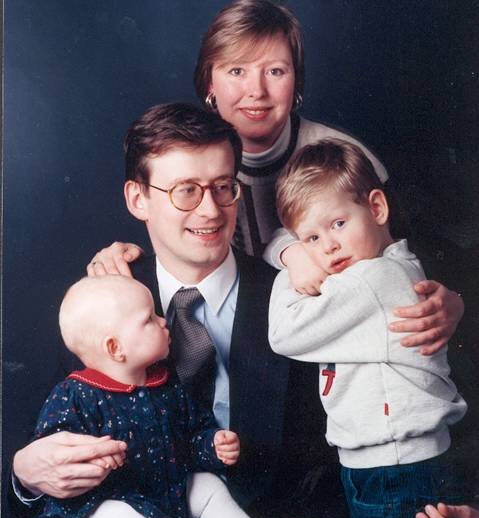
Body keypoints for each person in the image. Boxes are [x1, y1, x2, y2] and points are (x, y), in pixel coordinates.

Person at [9, 103, 333, 518]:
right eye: (186, 191)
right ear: (138, 199)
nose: (210, 209)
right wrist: (27, 474)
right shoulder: (96, 301)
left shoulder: (291, 298)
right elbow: (38, 442)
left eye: (224, 187)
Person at [91, 0, 463, 358]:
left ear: (296, 82)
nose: (256, 91)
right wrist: (118, 259)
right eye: (237, 71)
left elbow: (422, 260)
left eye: (275, 71)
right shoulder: (184, 157)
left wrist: (453, 301)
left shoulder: (342, 157)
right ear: (209, 83)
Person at [268, 138, 479, 518]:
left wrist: (291, 266)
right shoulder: (369, 270)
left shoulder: (374, 278)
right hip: (378, 462)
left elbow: (283, 333)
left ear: (377, 208)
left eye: (338, 224)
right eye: (312, 238)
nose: (328, 247)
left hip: (397, 467)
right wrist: (291, 251)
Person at [34, 274, 305, 518]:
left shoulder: (164, 386)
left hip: (158, 492)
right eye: (149, 319)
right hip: (89, 511)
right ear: (115, 348)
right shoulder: (75, 395)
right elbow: (53, 451)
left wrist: (212, 444)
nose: (163, 321)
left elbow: (191, 437)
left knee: (207, 486)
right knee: (120, 515)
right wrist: (90, 459)